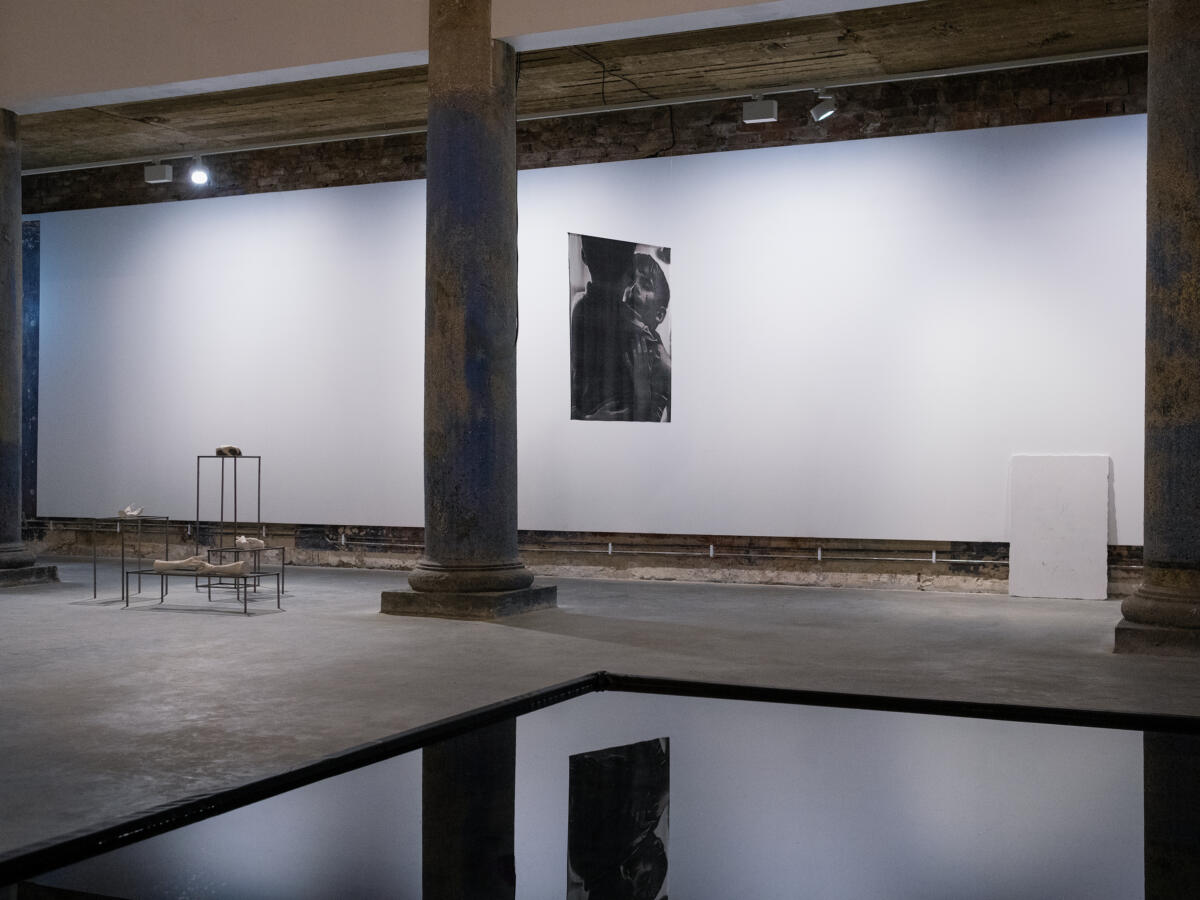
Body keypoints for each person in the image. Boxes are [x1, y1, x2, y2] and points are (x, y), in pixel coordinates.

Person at [571, 238, 672, 422]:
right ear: (629, 277)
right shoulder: (584, 309)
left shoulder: (656, 353)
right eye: (635, 276)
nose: (635, 289)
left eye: (647, 285)